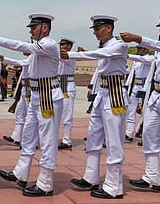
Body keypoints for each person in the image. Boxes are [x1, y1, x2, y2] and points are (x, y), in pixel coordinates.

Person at [0, 14, 62, 197]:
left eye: (34, 27)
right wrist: (4, 58)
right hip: (36, 96)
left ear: (45, 28)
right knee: (28, 136)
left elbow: (23, 47)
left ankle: (45, 183)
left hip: (48, 96)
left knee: (48, 141)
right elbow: (24, 62)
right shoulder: (38, 50)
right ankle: (21, 173)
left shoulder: (48, 44)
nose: (30, 30)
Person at [64, 15, 127, 199]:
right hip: (103, 94)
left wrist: (71, 54)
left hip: (115, 96)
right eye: (94, 29)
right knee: (93, 137)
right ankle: (91, 177)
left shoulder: (118, 45)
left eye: (98, 28)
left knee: (114, 141)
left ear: (108, 28)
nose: (94, 32)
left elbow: (98, 55)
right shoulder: (105, 47)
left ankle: (114, 187)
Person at [120, 15, 160, 200]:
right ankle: (152, 178)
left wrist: (137, 38)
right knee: (149, 138)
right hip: (156, 96)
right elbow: (152, 75)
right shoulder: (159, 51)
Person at [0, 54, 32, 147]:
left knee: (30, 116)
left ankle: (30, 140)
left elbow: (18, 63)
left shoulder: (33, 58)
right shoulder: (28, 59)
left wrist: (3, 58)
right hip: (24, 89)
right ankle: (16, 137)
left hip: (30, 89)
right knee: (19, 113)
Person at [124, 45, 153, 142]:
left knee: (144, 111)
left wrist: (126, 55)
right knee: (130, 111)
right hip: (136, 86)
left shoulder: (150, 58)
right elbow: (132, 74)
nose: (138, 50)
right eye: (138, 48)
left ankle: (144, 134)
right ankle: (129, 133)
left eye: (140, 48)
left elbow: (143, 60)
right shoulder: (137, 60)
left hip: (145, 87)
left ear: (146, 49)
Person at [57, 37, 77, 149]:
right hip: (59, 86)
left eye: (64, 45)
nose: (62, 47)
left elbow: (60, 58)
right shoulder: (59, 56)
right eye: (61, 45)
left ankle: (67, 140)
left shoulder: (71, 55)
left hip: (67, 87)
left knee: (67, 115)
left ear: (69, 46)